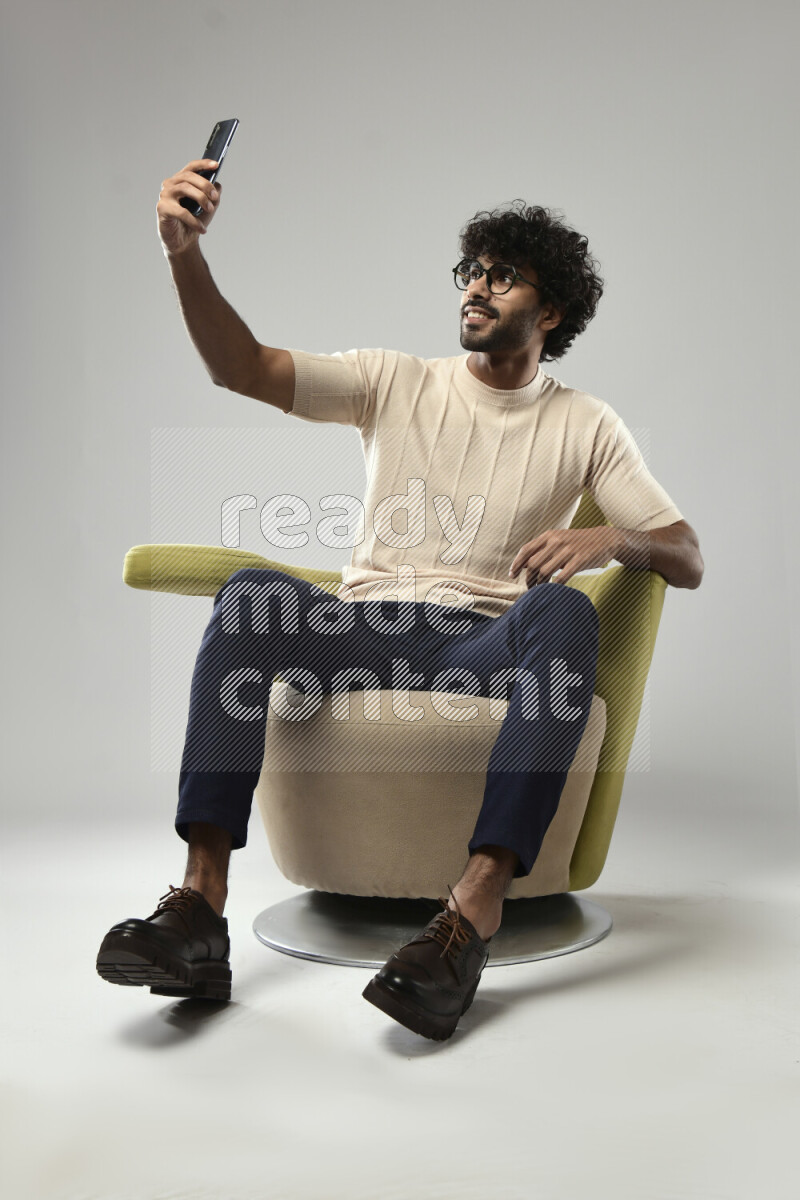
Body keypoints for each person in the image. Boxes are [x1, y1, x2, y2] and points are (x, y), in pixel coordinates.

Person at [96, 159, 704, 1041]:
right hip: (364, 624)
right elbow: (241, 366)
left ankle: (469, 918)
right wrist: (183, 254)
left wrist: (613, 537)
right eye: (473, 271)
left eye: (503, 276)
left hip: (479, 644)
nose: (478, 289)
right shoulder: (396, 380)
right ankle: (199, 911)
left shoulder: (587, 424)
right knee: (251, 597)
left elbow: (684, 554)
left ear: (554, 310)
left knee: (568, 614)